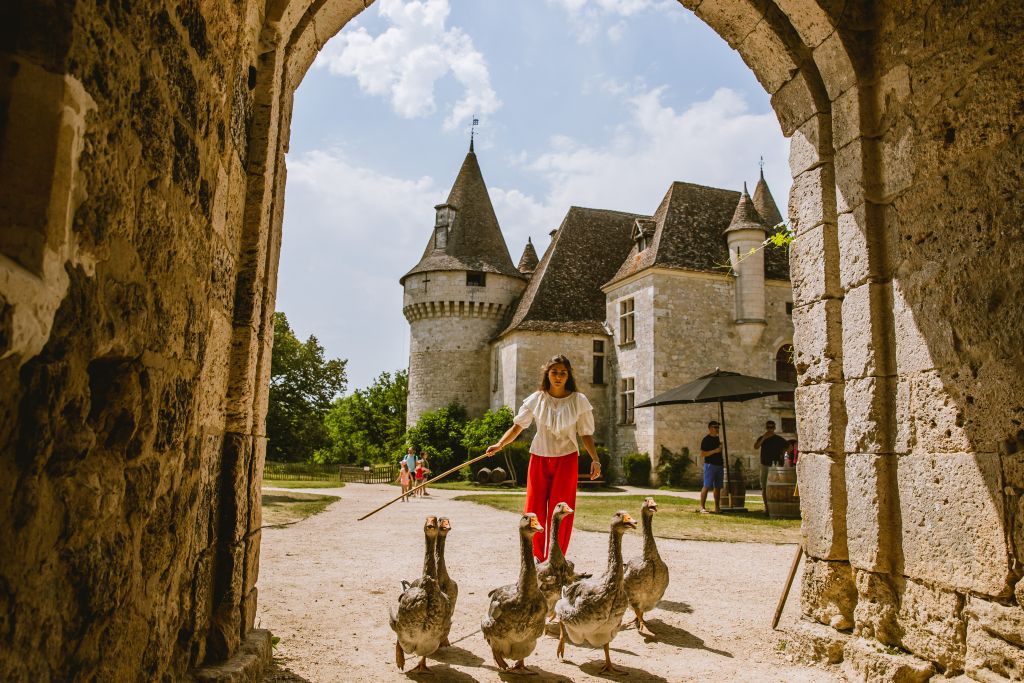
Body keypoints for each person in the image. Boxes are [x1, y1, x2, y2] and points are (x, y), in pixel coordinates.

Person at [485, 354, 601, 561]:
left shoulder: (578, 400)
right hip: (539, 457)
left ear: (568, 376)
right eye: (554, 372)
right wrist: (500, 444)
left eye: (563, 373)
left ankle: (556, 558)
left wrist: (595, 459)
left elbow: (585, 433)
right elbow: (517, 427)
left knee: (562, 510)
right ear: (547, 374)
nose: (558, 376)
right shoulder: (536, 399)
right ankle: (536, 558)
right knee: (534, 508)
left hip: (567, 459)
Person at [754, 420, 789, 517]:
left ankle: (777, 507)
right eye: (768, 427)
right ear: (766, 428)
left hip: (776, 466)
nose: (770, 429)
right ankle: (767, 508)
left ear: (774, 428)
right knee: (764, 487)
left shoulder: (779, 439)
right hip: (765, 465)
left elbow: (789, 447)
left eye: (772, 427)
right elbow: (756, 447)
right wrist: (764, 438)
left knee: (777, 487)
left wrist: (782, 452)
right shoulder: (762, 438)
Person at [698, 420, 724, 513]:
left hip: (719, 465)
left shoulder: (719, 439)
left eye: (718, 427)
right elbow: (702, 454)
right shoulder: (706, 439)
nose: (717, 429)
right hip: (710, 465)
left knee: (718, 487)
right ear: (709, 428)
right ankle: (702, 507)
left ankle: (717, 507)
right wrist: (715, 451)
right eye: (715, 427)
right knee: (706, 486)